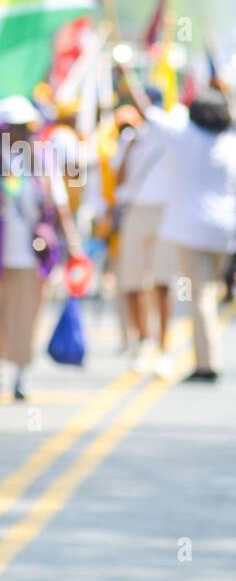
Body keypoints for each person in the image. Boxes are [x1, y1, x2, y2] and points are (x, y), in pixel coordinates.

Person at [0, 96, 83, 400]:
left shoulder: (42, 160)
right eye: (13, 127)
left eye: (25, 127)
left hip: (31, 254)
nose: (20, 133)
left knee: (26, 318)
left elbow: (59, 206)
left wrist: (73, 247)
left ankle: (20, 376)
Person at [121, 68, 236, 382]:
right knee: (208, 293)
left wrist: (126, 74)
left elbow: (147, 109)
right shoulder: (229, 144)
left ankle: (207, 364)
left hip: (191, 231)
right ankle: (205, 357)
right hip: (224, 234)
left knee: (199, 296)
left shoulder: (186, 137)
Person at [112, 90, 178, 375]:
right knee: (133, 282)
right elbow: (119, 178)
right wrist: (129, 145)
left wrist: (128, 75)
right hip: (135, 213)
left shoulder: (171, 134)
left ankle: (163, 347)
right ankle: (141, 342)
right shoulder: (131, 139)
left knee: (162, 284)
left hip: (164, 214)